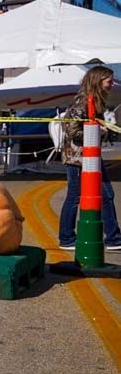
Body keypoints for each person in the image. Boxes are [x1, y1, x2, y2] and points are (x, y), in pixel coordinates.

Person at [58, 65, 121, 251]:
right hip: (77, 158)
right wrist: (97, 131)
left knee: (107, 195)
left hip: (90, 156)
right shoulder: (83, 102)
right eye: (109, 81)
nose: (112, 85)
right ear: (98, 81)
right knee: (75, 196)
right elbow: (71, 131)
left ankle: (113, 238)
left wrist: (101, 131)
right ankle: (67, 238)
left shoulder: (94, 101)